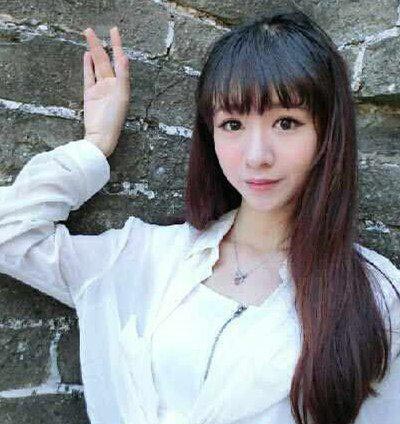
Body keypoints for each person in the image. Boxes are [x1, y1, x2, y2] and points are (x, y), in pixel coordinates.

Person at [0, 8, 399, 424]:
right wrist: (94, 146)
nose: (256, 156)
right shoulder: (146, 257)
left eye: (286, 122)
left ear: (326, 134)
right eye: (232, 124)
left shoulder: (377, 297)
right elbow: (9, 233)